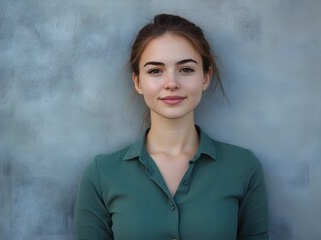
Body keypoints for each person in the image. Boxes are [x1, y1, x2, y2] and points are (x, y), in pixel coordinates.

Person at [75, 13, 269, 240]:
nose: (171, 83)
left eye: (186, 69)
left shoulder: (243, 167)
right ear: (137, 81)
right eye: (155, 71)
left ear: (206, 77)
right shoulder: (101, 174)